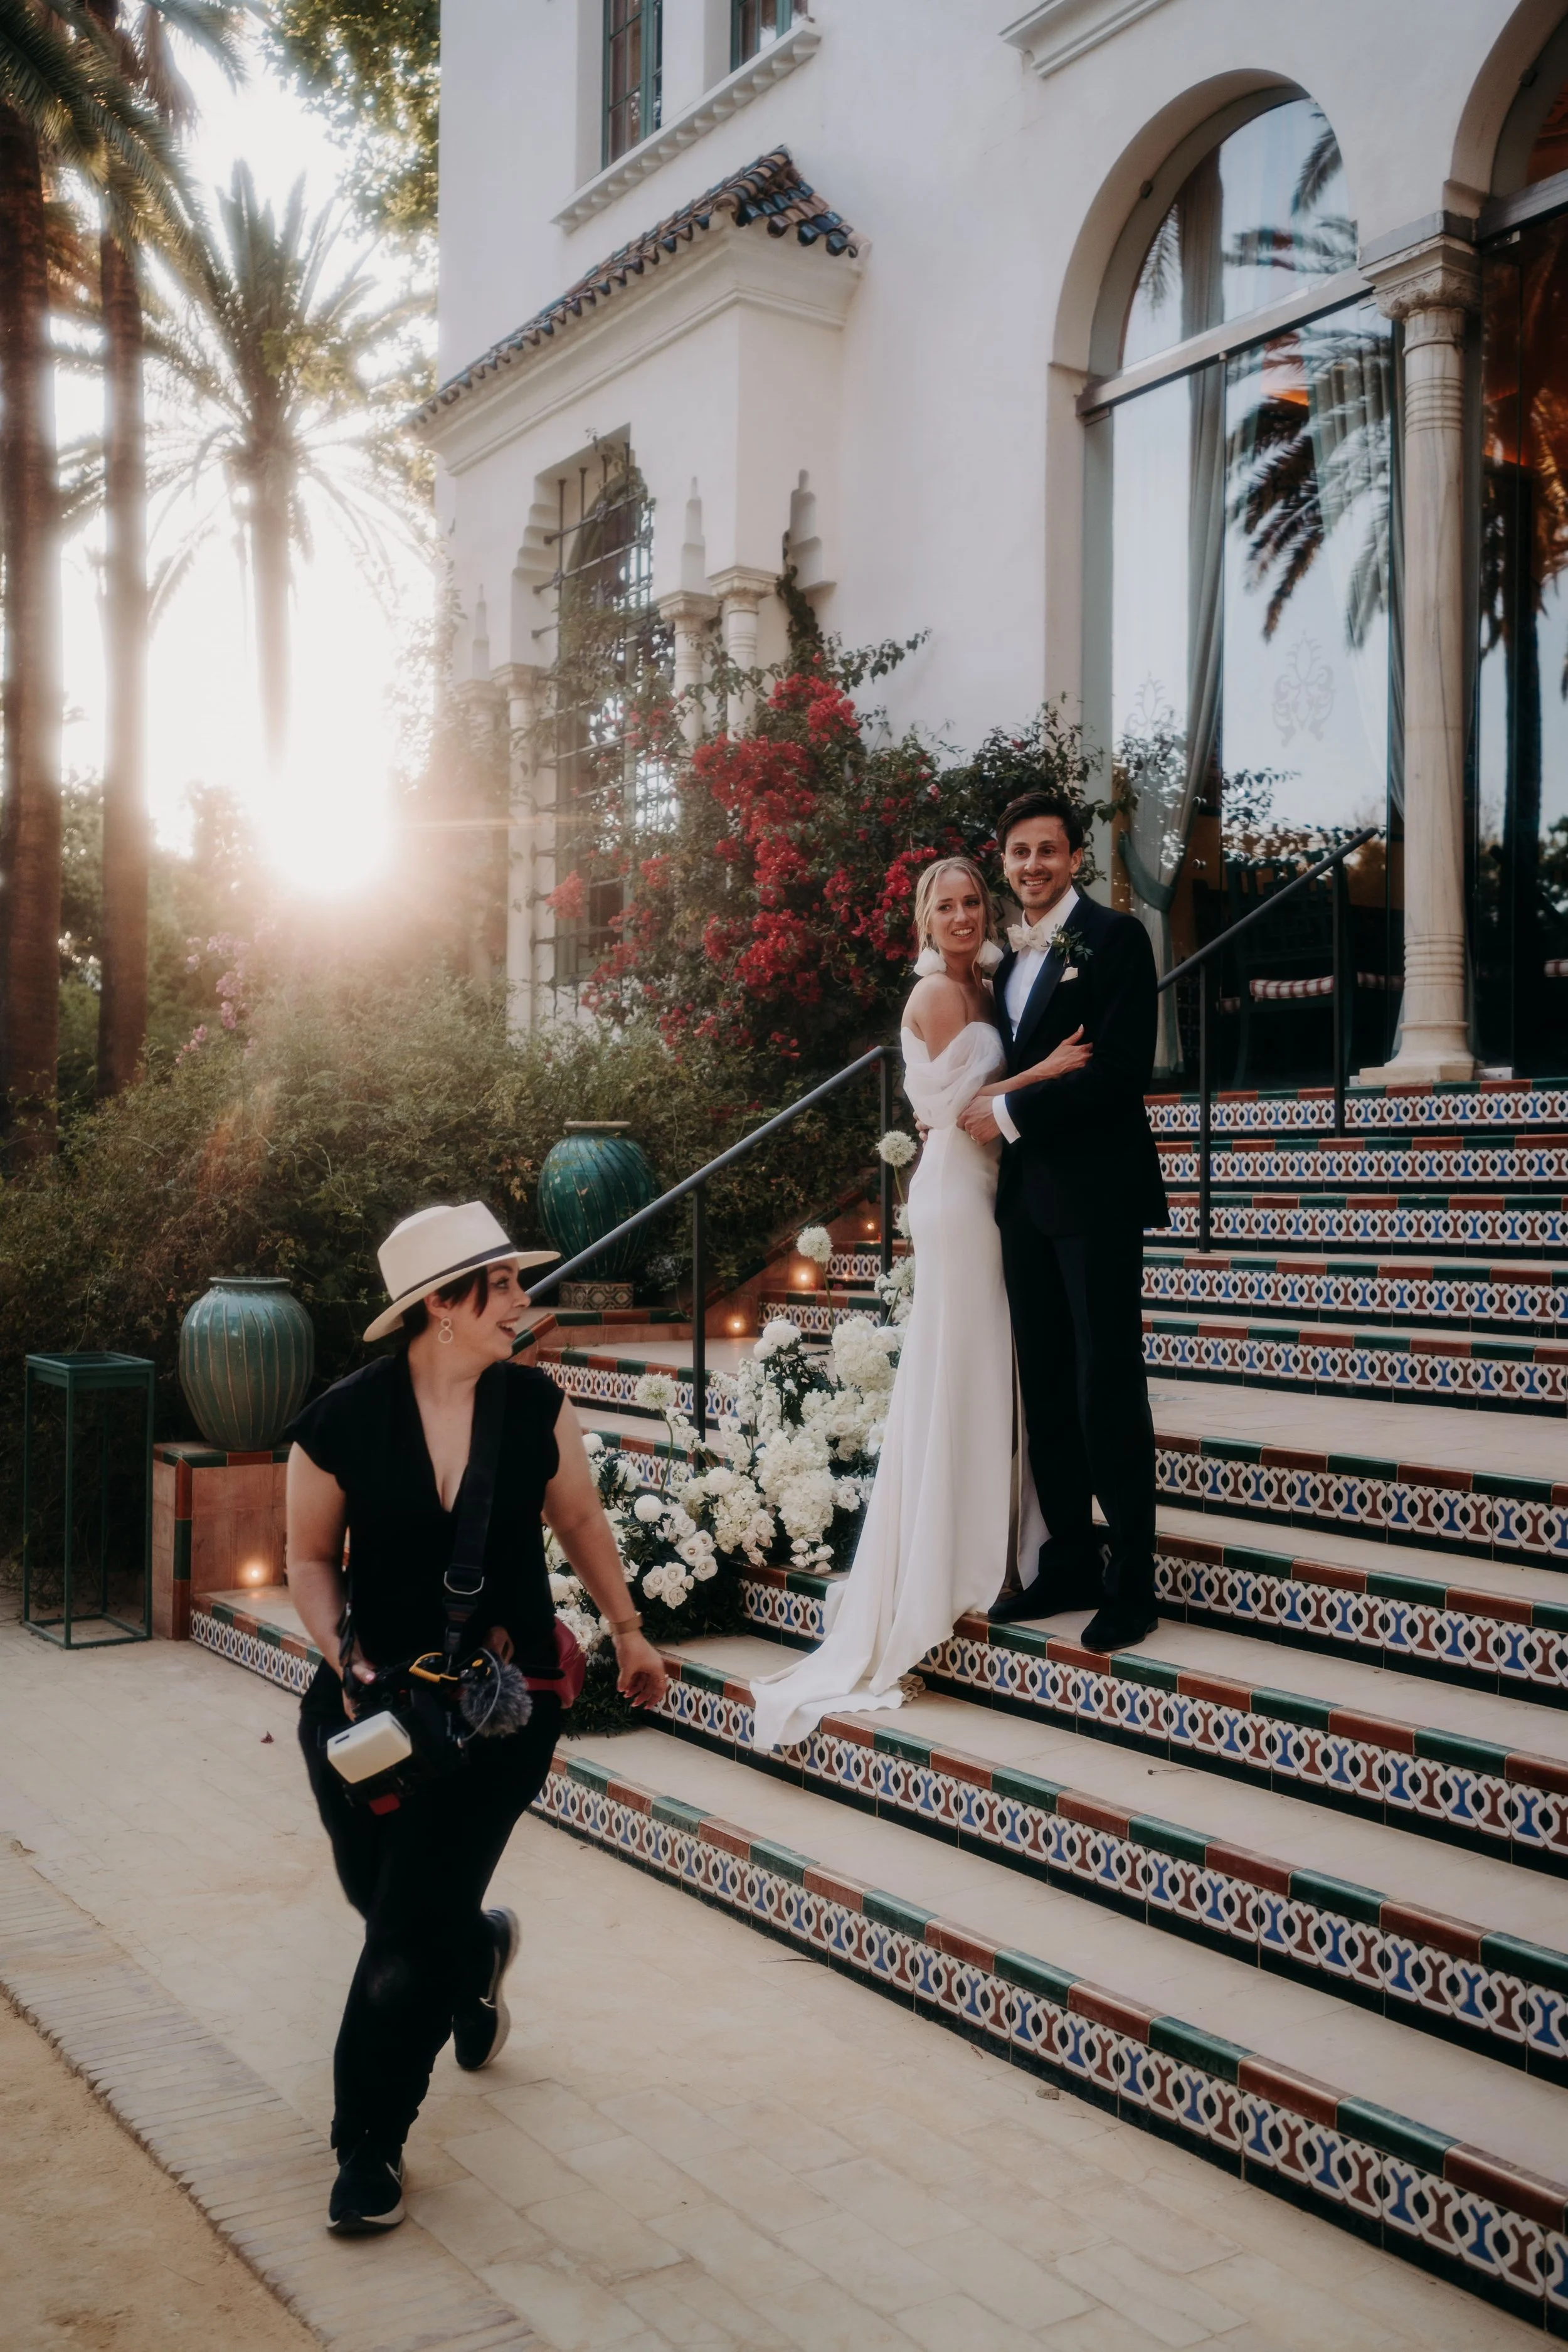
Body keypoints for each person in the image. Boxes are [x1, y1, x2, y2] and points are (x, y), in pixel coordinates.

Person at [285, 1200, 667, 2236]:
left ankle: (369, 2142)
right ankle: (479, 1953)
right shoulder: (341, 1422)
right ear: (442, 1308)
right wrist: (342, 1650)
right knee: (381, 1894)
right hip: (365, 1708)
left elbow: (580, 1516)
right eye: (500, 1285)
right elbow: (312, 1559)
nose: (519, 1300)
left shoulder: (536, 1405)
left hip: (503, 1708)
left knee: (404, 1924)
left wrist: (629, 1631)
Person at [750, 857, 1091, 1754]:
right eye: (948, 904)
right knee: (964, 1366)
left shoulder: (985, 985)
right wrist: (1044, 1069)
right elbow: (948, 1107)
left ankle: (1001, 1538)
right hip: (955, 1192)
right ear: (924, 919)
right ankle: (966, 1553)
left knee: (986, 1365)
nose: (965, 914)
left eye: (975, 900)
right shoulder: (940, 996)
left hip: (989, 1189)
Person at [959, 791, 1168, 1652]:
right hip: (1024, 1206)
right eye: (1019, 853)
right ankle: (1071, 1560)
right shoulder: (1005, 963)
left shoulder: (1117, 940)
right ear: (1003, 861)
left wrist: (1007, 1118)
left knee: (1105, 1382)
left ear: (1075, 856)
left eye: (1048, 850)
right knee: (1044, 1385)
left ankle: (1133, 1581)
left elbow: (1119, 1071)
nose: (1033, 865)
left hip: (1099, 1197)